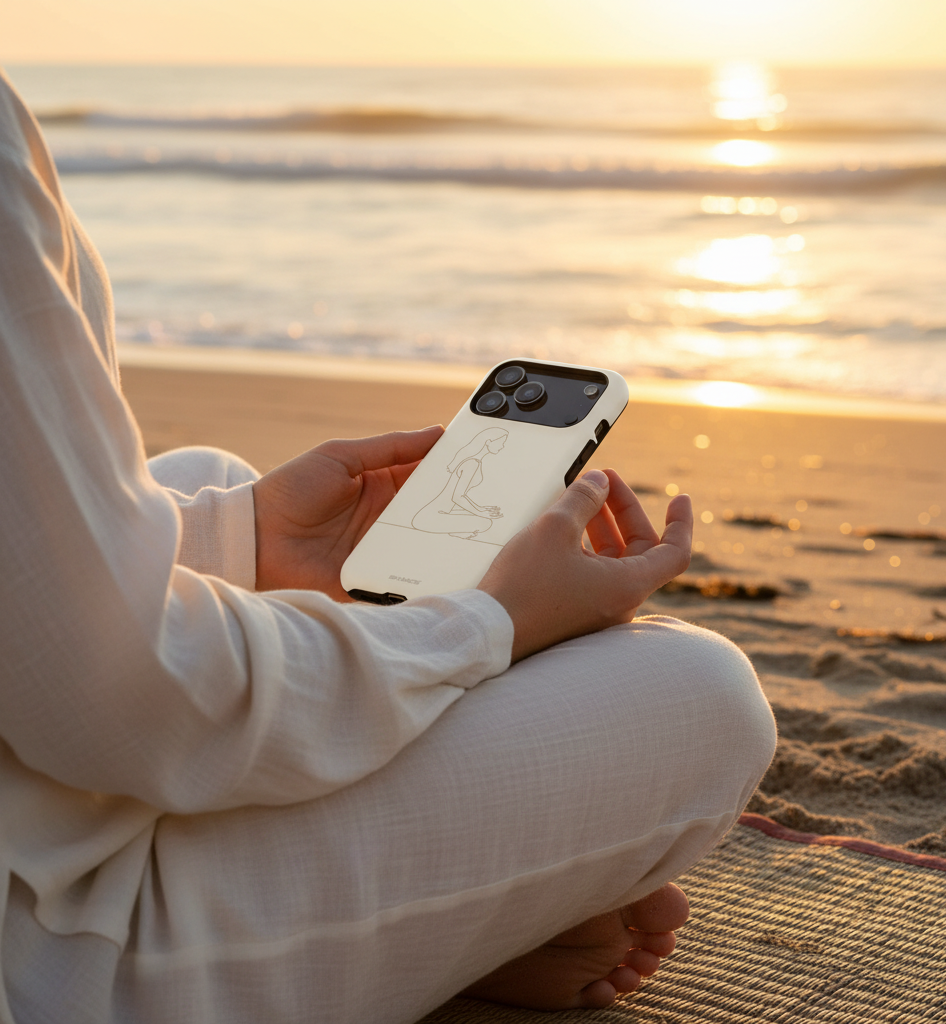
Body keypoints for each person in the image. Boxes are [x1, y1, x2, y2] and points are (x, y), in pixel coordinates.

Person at [0, 67, 775, 1024]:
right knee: (702, 699)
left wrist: (240, 539)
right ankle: (450, 932)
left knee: (207, 474)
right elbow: (133, 702)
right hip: (52, 952)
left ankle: (442, 917)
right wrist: (491, 623)